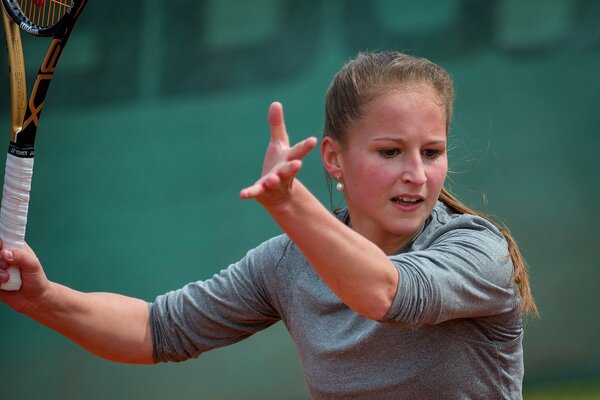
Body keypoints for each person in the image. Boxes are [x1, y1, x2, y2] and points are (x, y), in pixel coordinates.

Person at [0, 51, 538, 399]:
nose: (417, 174)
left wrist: (289, 205)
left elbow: (387, 294)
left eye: (432, 151)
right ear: (334, 158)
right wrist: (44, 299)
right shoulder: (286, 264)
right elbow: (154, 329)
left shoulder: (477, 250)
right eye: (391, 151)